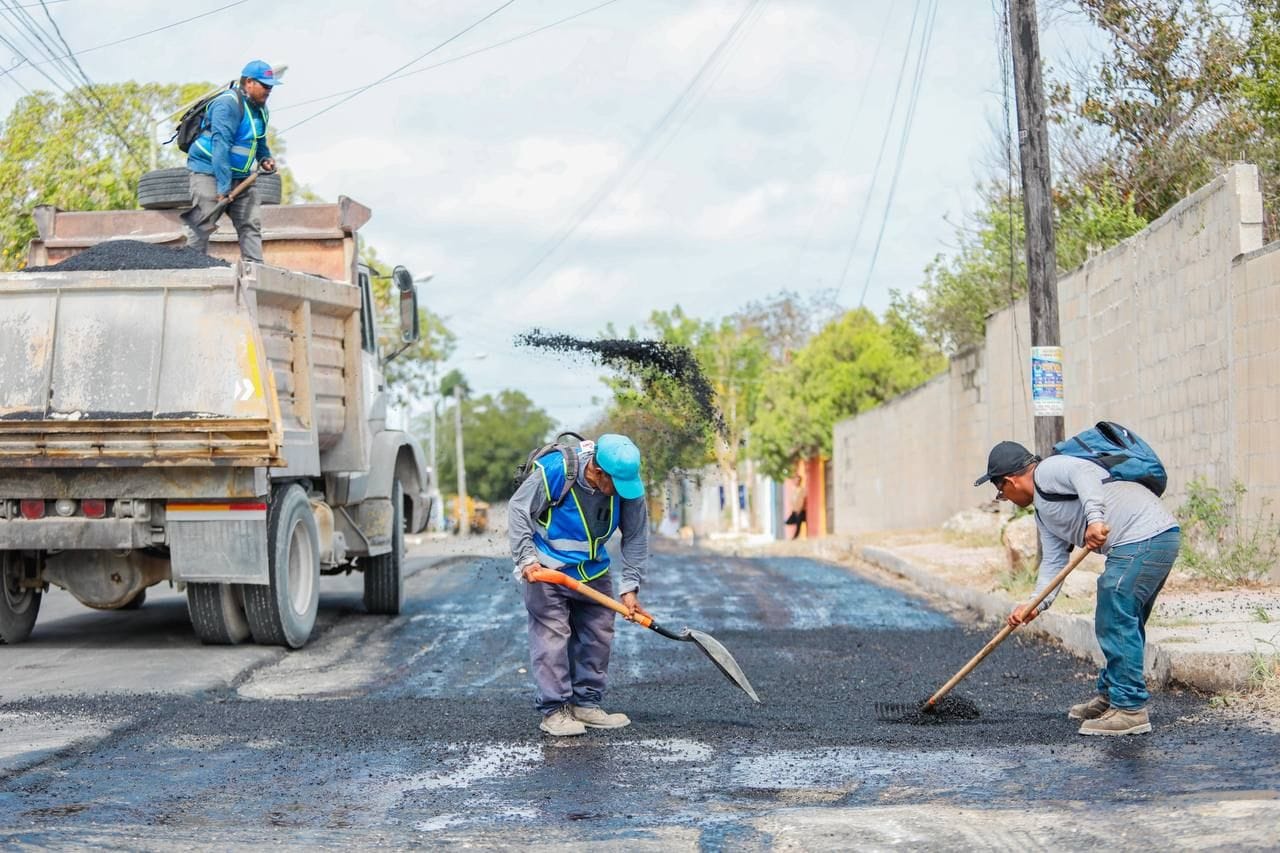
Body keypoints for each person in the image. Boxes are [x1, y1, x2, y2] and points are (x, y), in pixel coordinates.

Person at [975, 440, 1180, 736]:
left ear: (1010, 481)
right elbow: (1054, 563)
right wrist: (1034, 605)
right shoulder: (1044, 513)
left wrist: (1095, 519)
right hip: (1150, 538)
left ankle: (1130, 710)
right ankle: (1113, 696)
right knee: (1123, 620)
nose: (1003, 498)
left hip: (1146, 535)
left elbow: (1084, 472)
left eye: (1000, 492)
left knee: (1114, 612)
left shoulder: (1048, 470)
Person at [509, 434, 652, 737]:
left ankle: (586, 703)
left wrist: (630, 586)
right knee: (553, 636)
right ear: (597, 471)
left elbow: (636, 535)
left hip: (593, 570)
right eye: (614, 484)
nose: (620, 492)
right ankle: (554, 710)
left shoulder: (626, 485)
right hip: (548, 569)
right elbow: (519, 509)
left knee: (598, 636)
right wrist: (526, 559)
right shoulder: (557, 471)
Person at [185, 60, 279, 264]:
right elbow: (221, 145)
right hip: (208, 171)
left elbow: (258, 139)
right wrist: (224, 186)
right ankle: (191, 267)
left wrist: (264, 157)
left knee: (250, 223)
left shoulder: (261, 109)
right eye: (265, 85)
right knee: (203, 222)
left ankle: (255, 270)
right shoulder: (227, 104)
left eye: (271, 86)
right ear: (249, 82)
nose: (269, 90)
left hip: (242, 176)